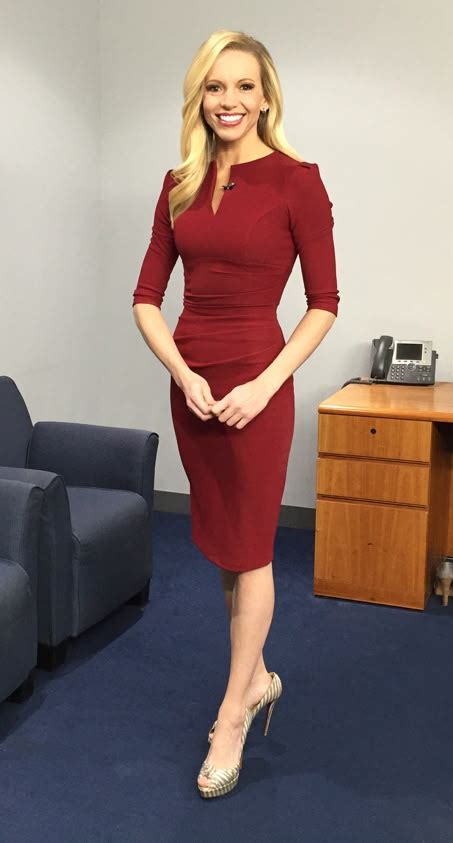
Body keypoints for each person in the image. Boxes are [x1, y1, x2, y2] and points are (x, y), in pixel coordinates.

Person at [132, 29, 340, 798]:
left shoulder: (297, 181)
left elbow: (324, 303)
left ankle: (232, 714)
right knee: (225, 545)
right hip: (194, 389)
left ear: (266, 96)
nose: (230, 100)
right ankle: (254, 678)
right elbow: (145, 298)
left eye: (244, 86)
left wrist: (266, 382)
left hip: (259, 389)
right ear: (200, 97)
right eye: (215, 86)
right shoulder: (179, 183)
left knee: (252, 549)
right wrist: (181, 372)